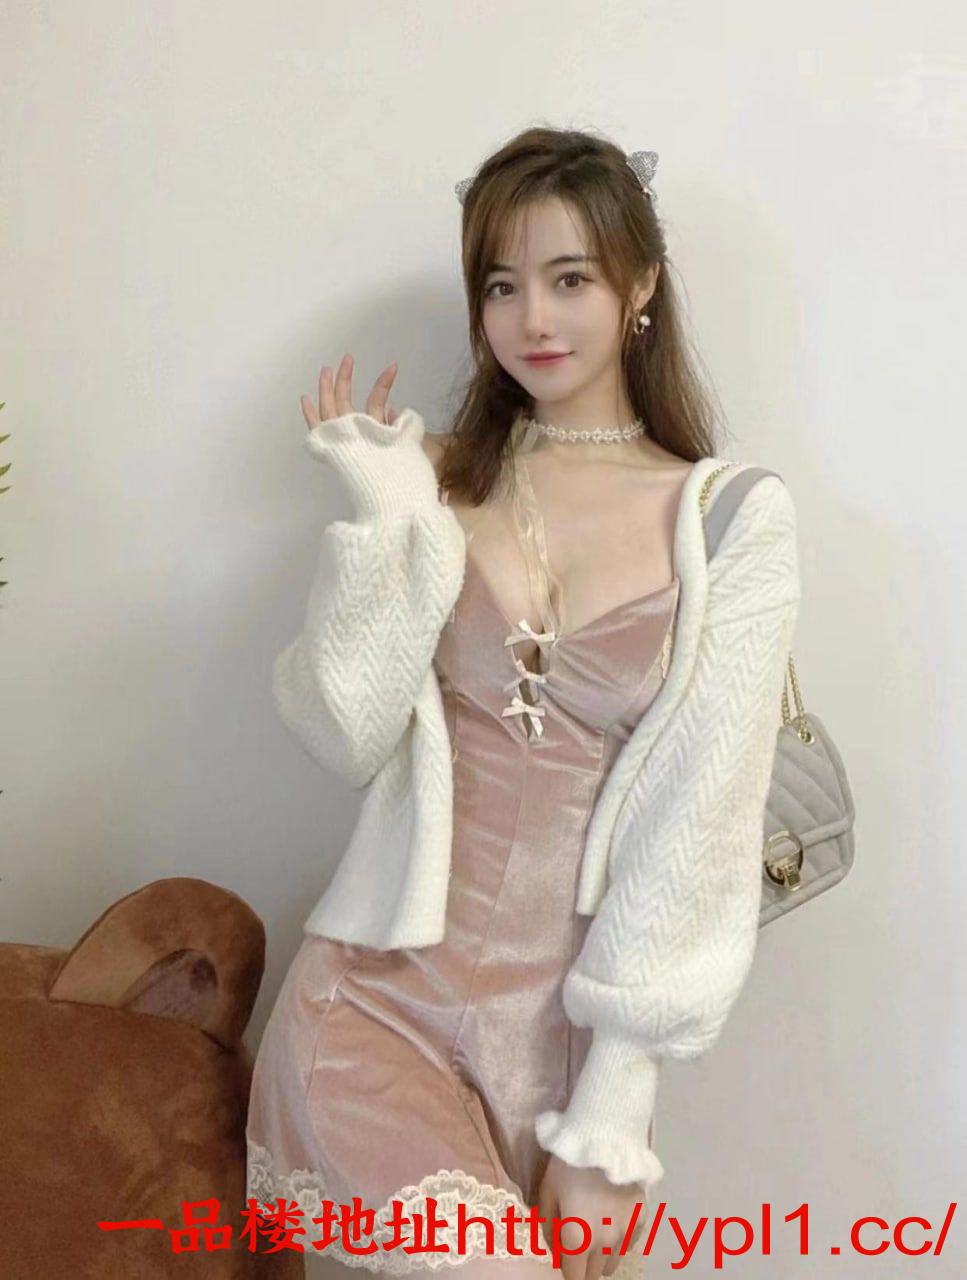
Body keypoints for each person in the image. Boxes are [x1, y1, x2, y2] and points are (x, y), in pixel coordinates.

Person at [246, 127, 800, 1279]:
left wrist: (612, 1110)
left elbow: (699, 824)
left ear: (639, 288)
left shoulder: (730, 519)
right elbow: (345, 730)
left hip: (561, 1056)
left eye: (569, 278)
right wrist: (380, 522)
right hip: (372, 1006)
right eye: (500, 286)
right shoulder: (439, 480)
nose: (532, 319)